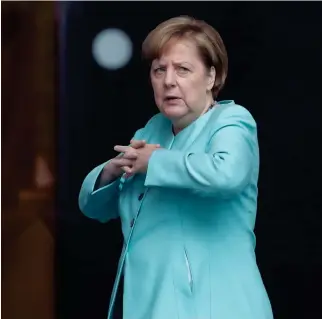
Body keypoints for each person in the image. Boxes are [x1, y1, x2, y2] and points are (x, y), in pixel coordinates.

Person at [78, 16, 273, 319]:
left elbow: (228, 174)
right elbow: (95, 209)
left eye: (183, 69)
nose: (169, 80)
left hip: (214, 305)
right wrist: (112, 171)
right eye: (159, 70)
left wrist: (152, 162)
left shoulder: (232, 120)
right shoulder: (151, 130)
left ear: (211, 77)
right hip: (148, 303)